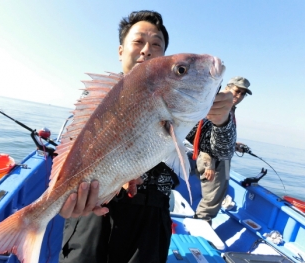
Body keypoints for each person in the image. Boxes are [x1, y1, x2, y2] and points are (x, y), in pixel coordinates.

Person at [59, 10, 236, 263]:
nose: (146, 50)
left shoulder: (180, 99)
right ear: (121, 51)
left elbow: (220, 152)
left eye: (156, 44)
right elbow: (68, 150)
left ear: (163, 56)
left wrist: (222, 120)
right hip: (92, 210)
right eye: (138, 42)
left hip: (151, 219)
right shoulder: (96, 100)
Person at [187, 76, 251, 223]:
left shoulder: (228, 107)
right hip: (213, 160)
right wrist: (209, 164)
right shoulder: (216, 105)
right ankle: (201, 229)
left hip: (221, 159)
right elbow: (203, 135)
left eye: (243, 94)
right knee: (212, 199)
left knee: (217, 195)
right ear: (228, 87)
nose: (239, 96)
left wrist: (233, 145)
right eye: (237, 91)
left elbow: (218, 136)